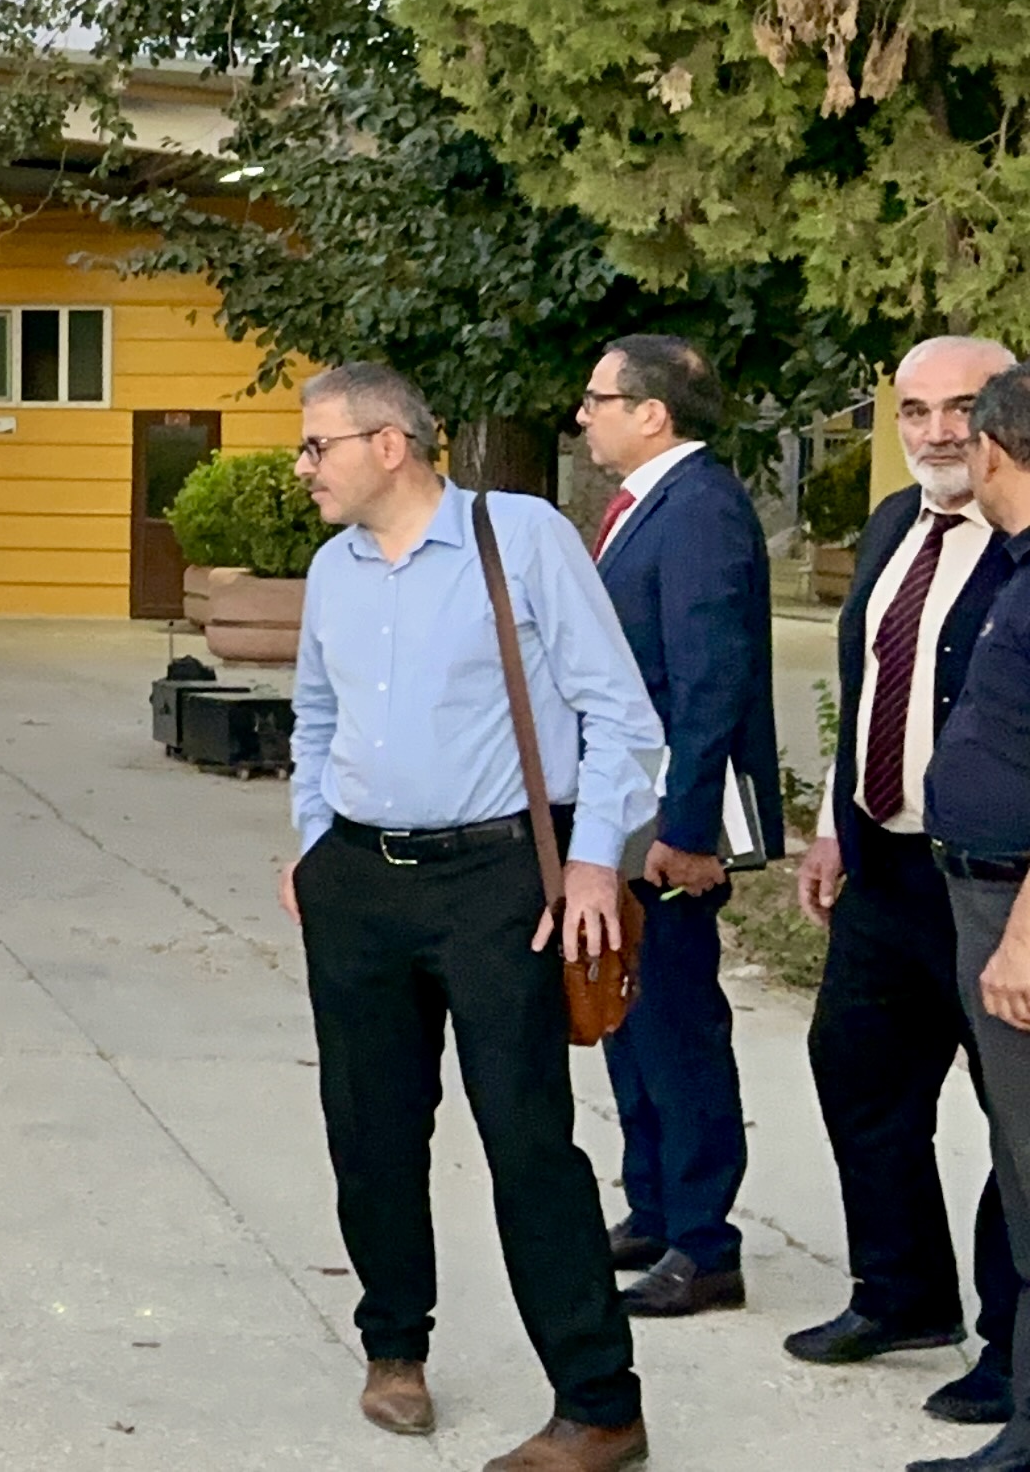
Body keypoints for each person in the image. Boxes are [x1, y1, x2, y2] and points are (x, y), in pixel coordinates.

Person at [279, 362, 658, 1472]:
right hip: (357, 882)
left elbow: (618, 715)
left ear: (389, 445)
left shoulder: (520, 537)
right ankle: (393, 1348)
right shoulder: (333, 569)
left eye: (317, 446)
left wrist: (594, 865)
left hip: (501, 884)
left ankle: (600, 1406)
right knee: (369, 1129)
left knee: (527, 1139)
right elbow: (313, 717)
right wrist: (314, 841)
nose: (302, 467)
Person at [792, 335, 1022, 1426]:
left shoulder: (1021, 546)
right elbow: (867, 686)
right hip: (884, 863)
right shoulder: (892, 526)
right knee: (856, 1071)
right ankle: (901, 1292)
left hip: (989, 881)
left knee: (1012, 1115)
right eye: (915, 410)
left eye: (961, 407)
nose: (938, 432)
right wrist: (833, 827)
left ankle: (1012, 1347)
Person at [573, 334, 770, 1318]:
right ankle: (652, 1206)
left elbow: (709, 679)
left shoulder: (698, 510)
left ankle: (704, 1241)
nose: (582, 415)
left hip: (668, 819)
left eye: (597, 398)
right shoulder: (647, 505)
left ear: (652, 413)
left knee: (678, 1023)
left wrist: (686, 830)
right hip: (625, 807)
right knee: (630, 1014)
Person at [920, 363, 1030, 1472]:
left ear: (993, 451)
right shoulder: (1015, 567)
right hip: (976, 889)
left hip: (1014, 904)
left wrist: (1024, 935)